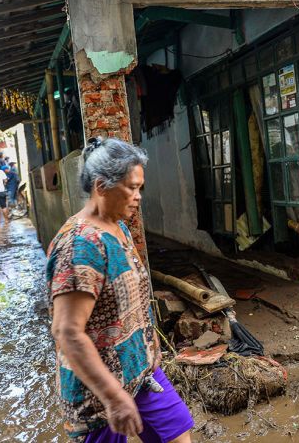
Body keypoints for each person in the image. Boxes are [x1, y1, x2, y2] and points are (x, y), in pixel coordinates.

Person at [46, 137, 193, 443]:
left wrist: (149, 338)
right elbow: (67, 332)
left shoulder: (118, 227)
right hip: (100, 393)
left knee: (178, 431)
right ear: (101, 186)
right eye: (131, 187)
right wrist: (113, 398)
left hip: (140, 371)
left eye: (140, 187)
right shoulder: (80, 246)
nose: (138, 196)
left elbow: (132, 293)